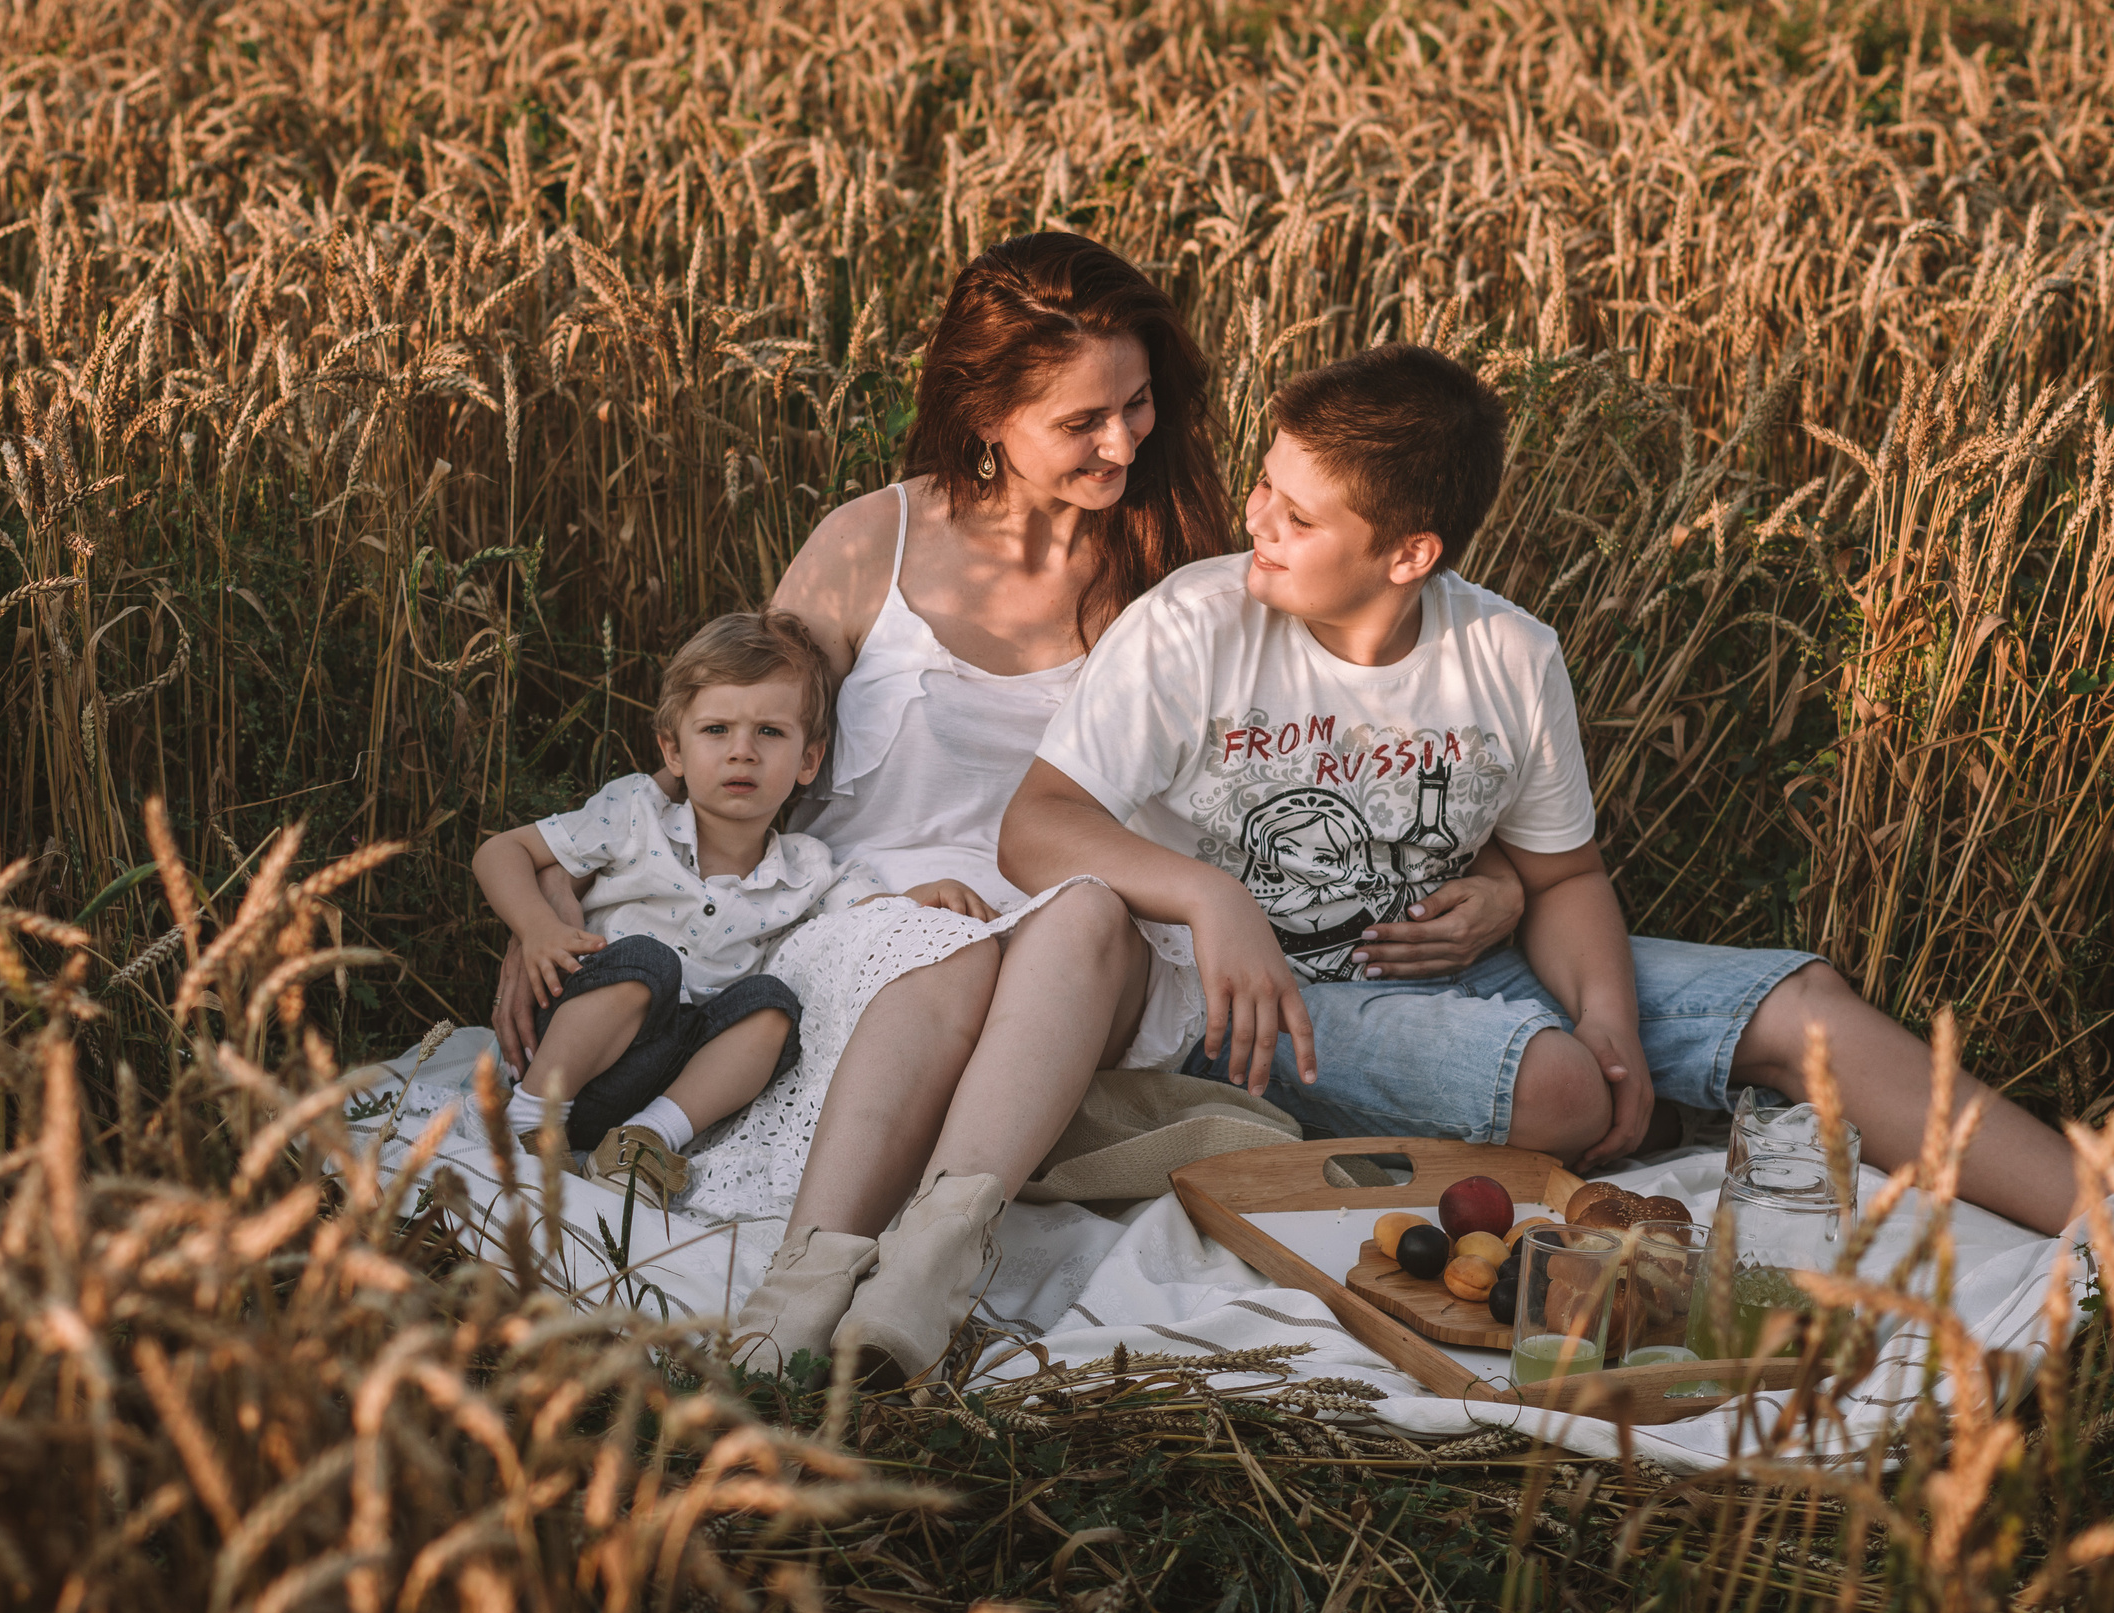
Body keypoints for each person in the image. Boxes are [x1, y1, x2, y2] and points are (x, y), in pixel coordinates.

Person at [492, 236, 1529, 1385]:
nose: (1124, 441)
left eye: (1137, 405)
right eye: (1082, 421)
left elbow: (1331, 758)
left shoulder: (1178, 566)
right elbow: (728, 754)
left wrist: (1510, 879)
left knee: (1082, 906)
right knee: (946, 949)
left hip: (1092, 942)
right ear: (986, 414)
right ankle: (809, 1280)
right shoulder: (865, 544)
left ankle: (930, 1268)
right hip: (877, 923)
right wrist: (568, 911)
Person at [998, 342, 2081, 1234]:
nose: (1256, 524)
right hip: (1260, 1009)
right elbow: (1037, 825)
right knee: (1562, 1086)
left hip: (1479, 978)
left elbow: (1566, 877)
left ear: (1408, 553)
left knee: (1807, 1012)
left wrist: (1611, 1016)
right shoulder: (1197, 624)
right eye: (1265, 487)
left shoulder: (1508, 656)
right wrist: (1210, 896)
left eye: (1297, 517)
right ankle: (1543, 1113)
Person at [471, 612, 901, 1203]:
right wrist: (538, 928)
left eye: (770, 733)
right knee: (648, 964)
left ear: (809, 759)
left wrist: (931, 900)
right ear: (673, 750)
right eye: (716, 730)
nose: (742, 753)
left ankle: (648, 1140)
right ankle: (529, 1120)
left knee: (774, 1009)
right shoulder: (634, 813)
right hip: (575, 1053)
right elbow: (500, 852)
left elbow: (877, 916)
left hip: (671, 1080)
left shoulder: (808, 868)